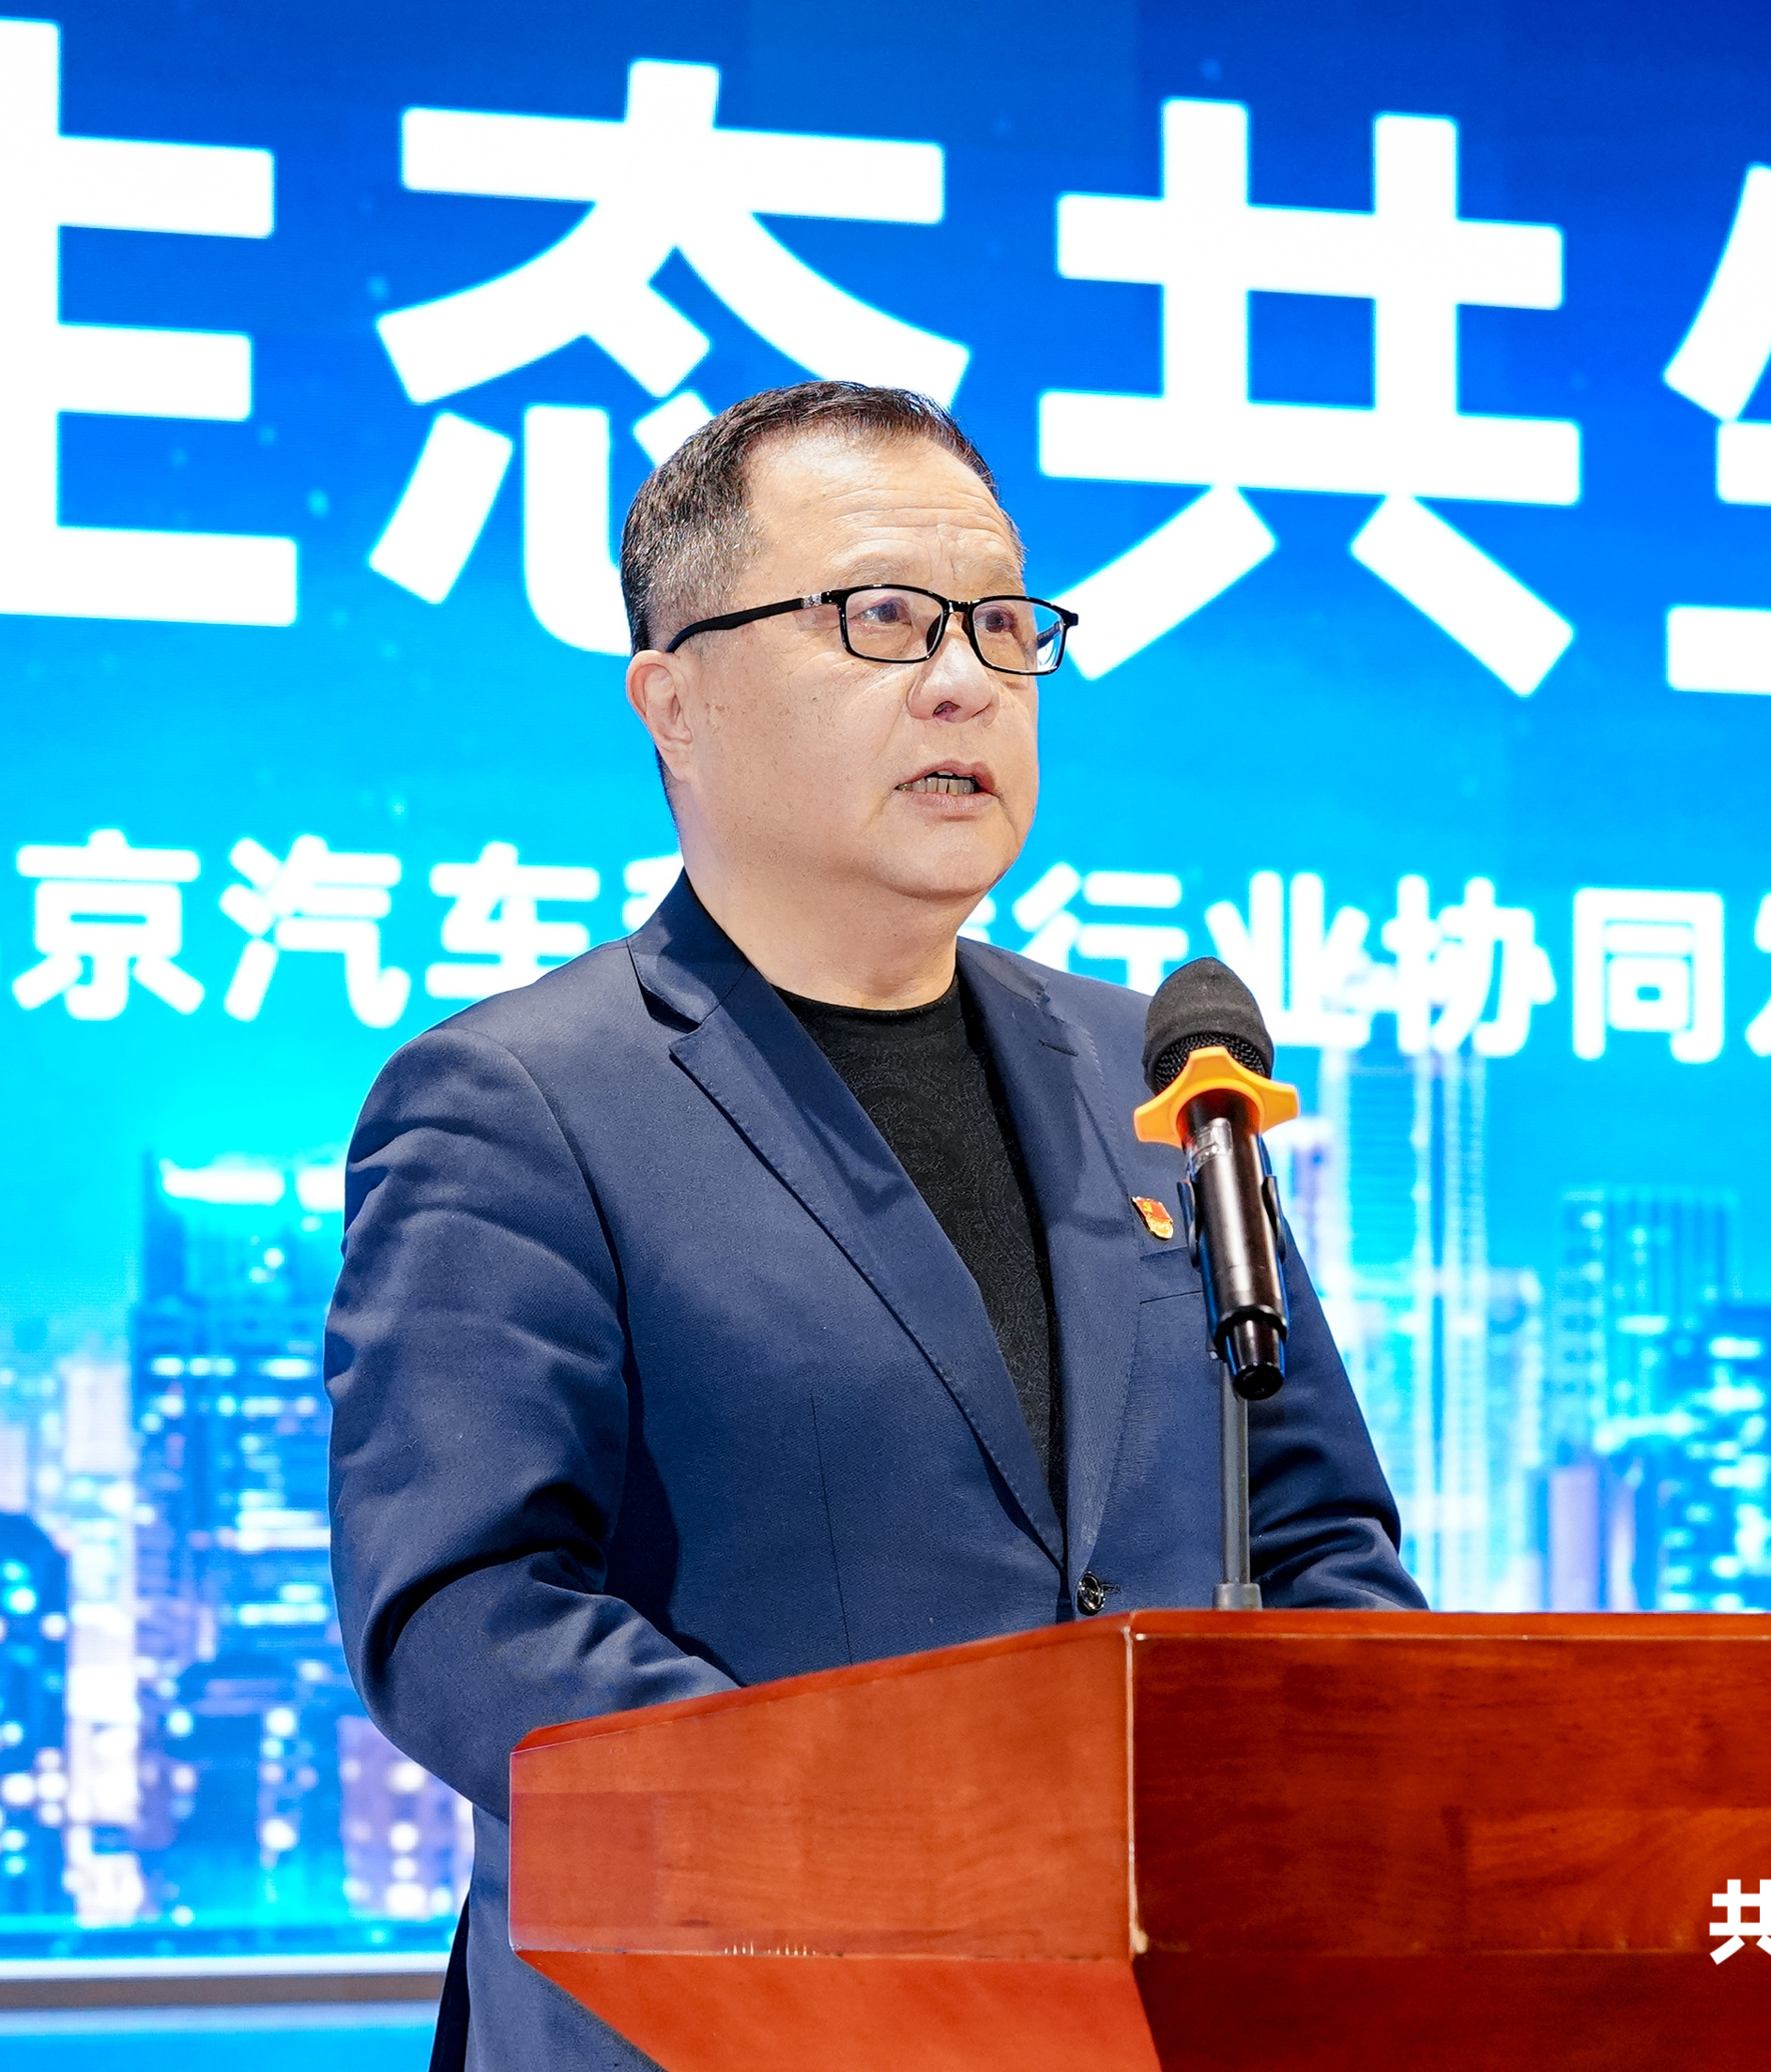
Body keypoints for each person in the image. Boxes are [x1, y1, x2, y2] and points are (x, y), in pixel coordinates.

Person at [325, 379, 1422, 2071]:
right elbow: (467, 1609)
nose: (965, 678)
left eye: (1002, 625)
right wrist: (890, 1860)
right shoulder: (518, 1104)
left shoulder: (1156, 1072)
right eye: (884, 618)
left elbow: (1320, 1543)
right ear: (674, 701)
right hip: (736, 2025)